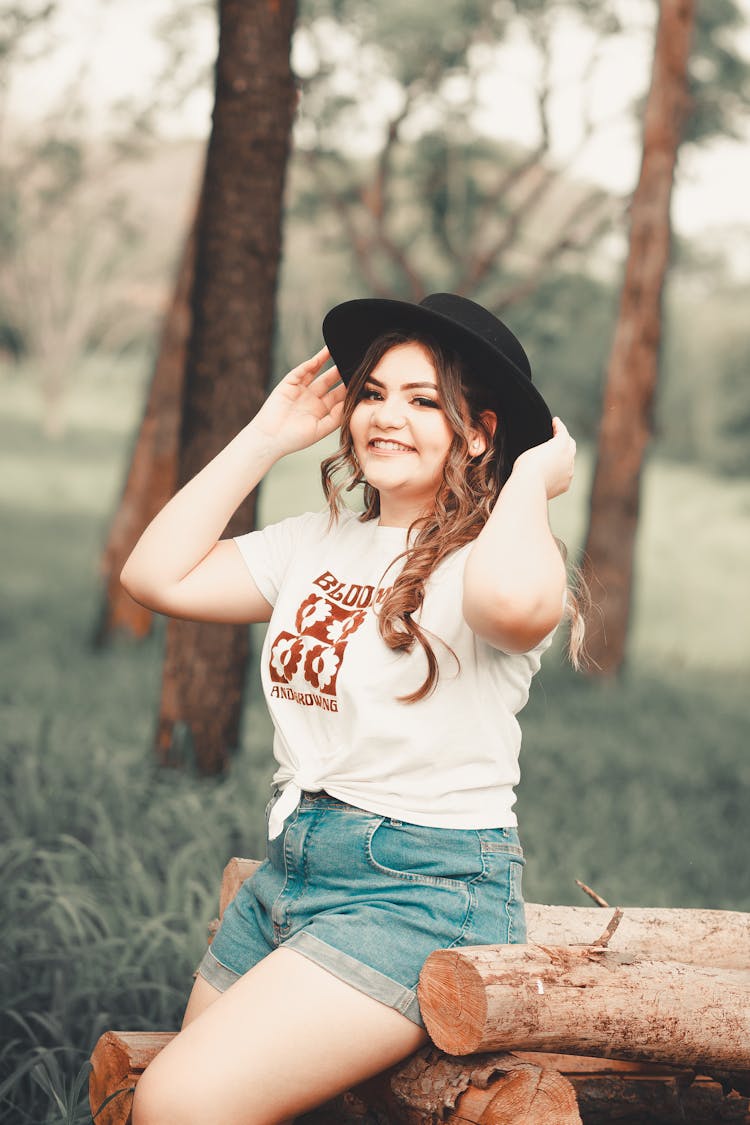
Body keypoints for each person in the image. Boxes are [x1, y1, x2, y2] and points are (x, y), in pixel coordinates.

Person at [122, 292, 581, 1125]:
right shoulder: (316, 539)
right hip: (296, 867)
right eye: (372, 393)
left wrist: (530, 477)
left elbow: (513, 604)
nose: (384, 416)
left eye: (420, 400)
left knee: (177, 1103)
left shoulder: (498, 554)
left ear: (475, 430)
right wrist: (266, 435)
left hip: (424, 888)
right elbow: (154, 575)